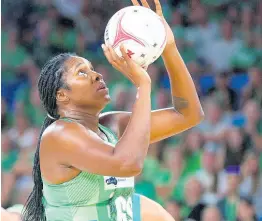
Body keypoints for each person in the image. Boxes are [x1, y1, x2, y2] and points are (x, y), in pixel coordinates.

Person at [22, 0, 204, 220]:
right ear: (62, 95)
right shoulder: (59, 134)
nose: (97, 75)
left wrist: (168, 48)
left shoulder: (111, 126)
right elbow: (128, 163)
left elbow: (189, 114)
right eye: (82, 73)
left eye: (93, 69)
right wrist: (143, 87)